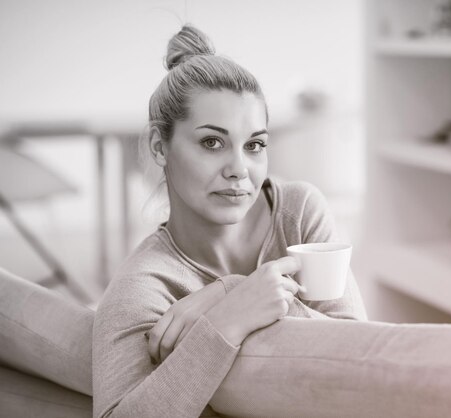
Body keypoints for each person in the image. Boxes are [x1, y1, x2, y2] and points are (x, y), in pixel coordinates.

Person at [92, 25, 367, 418]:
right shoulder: (145, 287)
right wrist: (223, 323)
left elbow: (365, 355)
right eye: (212, 142)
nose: (239, 169)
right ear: (159, 146)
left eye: (254, 145)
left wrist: (235, 292)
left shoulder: (298, 211)